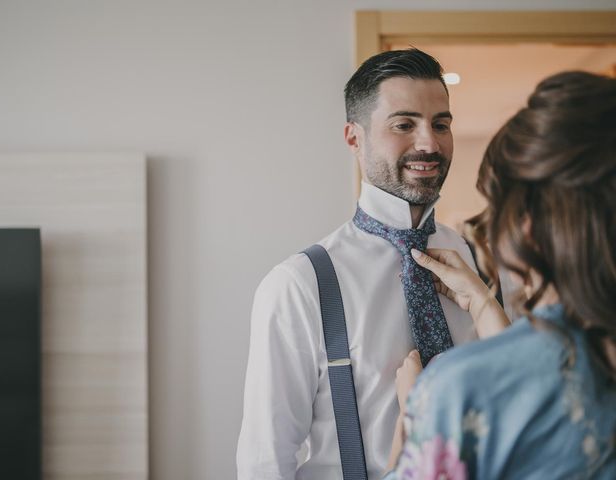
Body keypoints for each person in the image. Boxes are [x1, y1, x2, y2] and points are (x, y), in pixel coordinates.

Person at [237, 48, 499, 479]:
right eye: (404, 124)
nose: (429, 143)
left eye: (441, 124)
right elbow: (265, 462)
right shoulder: (299, 285)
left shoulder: (481, 266)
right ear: (353, 137)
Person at [384, 71, 616, 479]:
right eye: (404, 124)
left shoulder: (455, 390)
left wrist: (412, 420)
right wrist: (485, 306)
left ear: (525, 224)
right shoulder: (301, 283)